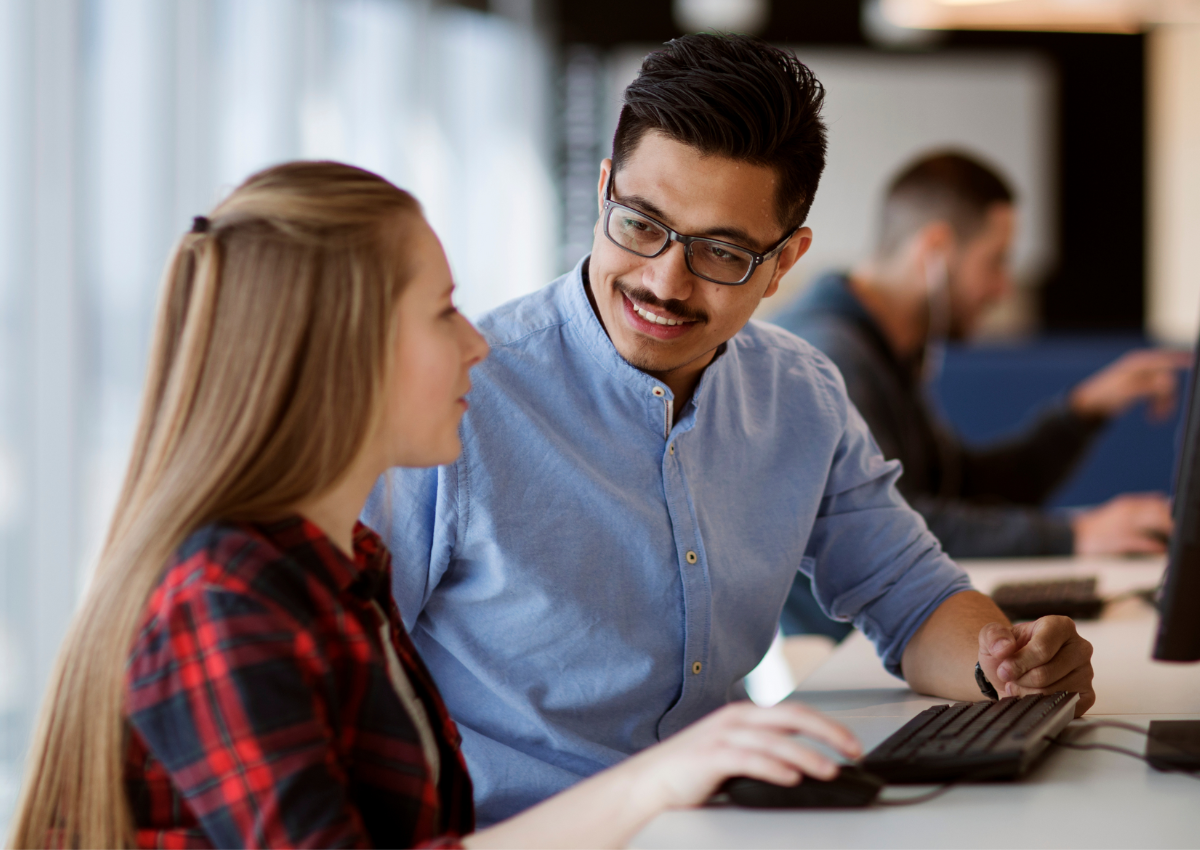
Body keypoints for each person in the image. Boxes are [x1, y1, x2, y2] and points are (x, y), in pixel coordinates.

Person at [8, 162, 865, 850]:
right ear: (346, 351)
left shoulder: (340, 569)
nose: (478, 343)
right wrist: (651, 784)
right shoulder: (226, 601)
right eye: (442, 311)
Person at [365, 34, 1096, 827]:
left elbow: (911, 598)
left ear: (785, 263)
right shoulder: (461, 394)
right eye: (641, 225)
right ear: (604, 190)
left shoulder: (802, 393)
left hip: (727, 822)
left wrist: (1006, 663)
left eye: (722, 252)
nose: (664, 282)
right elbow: (350, 679)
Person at [769, 151, 1185, 639]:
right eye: (996, 261)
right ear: (937, 249)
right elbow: (892, 526)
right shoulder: (830, 355)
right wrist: (1075, 535)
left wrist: (1085, 409)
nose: (1002, 288)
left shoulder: (888, 348)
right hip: (850, 649)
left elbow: (963, 487)